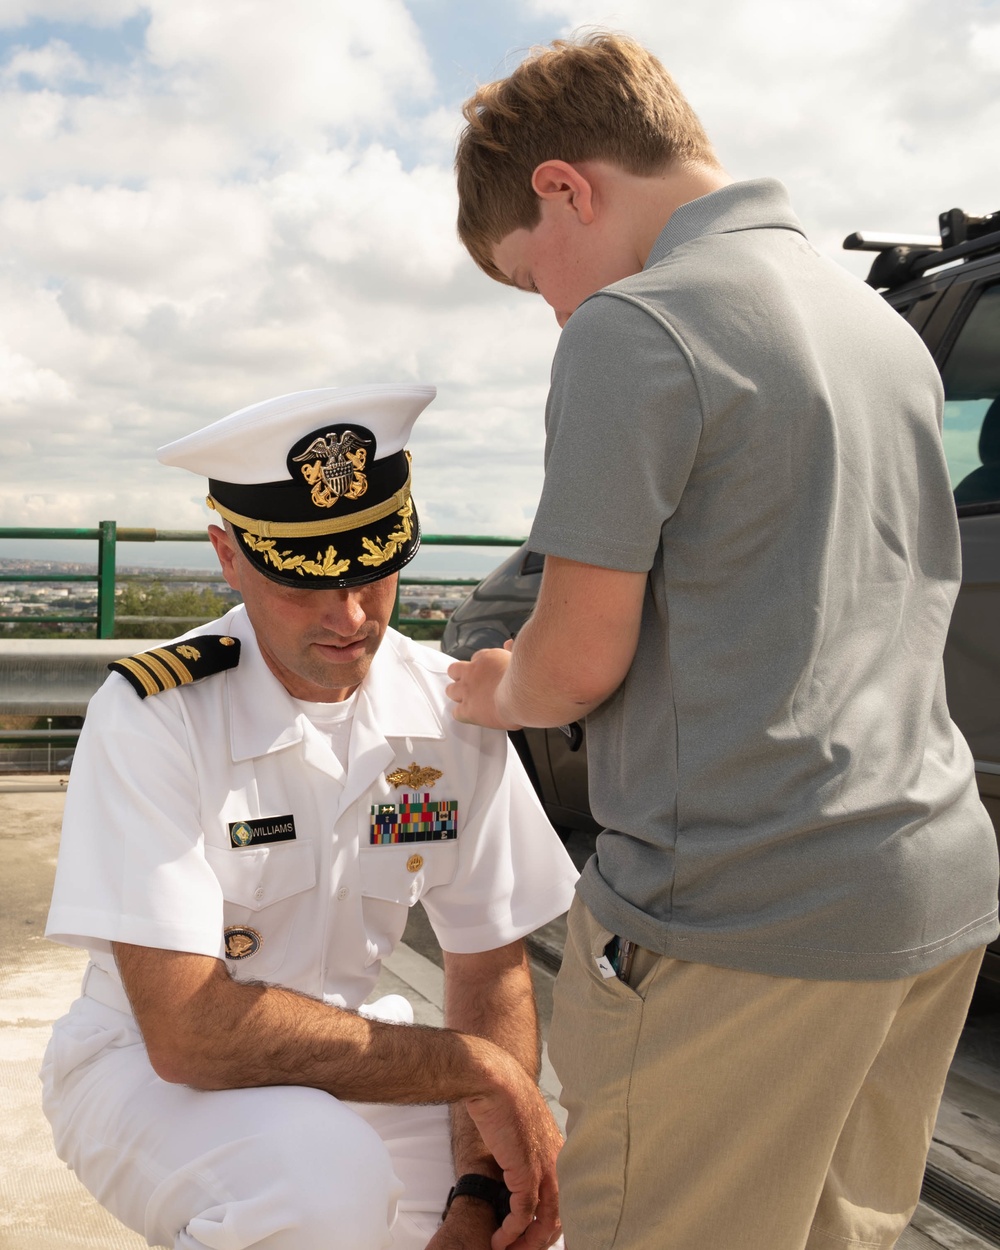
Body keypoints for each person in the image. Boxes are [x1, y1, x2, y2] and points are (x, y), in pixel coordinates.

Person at [447, 32, 1000, 1250]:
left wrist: (495, 688)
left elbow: (574, 660)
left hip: (746, 905)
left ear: (563, 186)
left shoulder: (634, 328)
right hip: (932, 884)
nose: (555, 312)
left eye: (534, 278)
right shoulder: (876, 329)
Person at [41, 383, 579, 1250]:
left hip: (350, 1056)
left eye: (372, 568)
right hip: (145, 1070)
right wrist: (467, 1067)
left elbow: (490, 971)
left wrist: (478, 1194)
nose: (350, 615)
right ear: (229, 555)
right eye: (306, 581)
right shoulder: (157, 715)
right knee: (321, 1190)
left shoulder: (445, 714)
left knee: (542, 1220)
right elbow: (186, 1033)